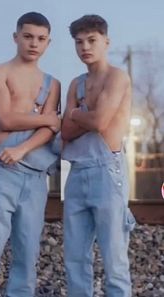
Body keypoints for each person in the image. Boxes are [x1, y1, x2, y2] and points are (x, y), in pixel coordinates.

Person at [0, 12, 60, 297]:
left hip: (34, 174)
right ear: (16, 37)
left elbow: (51, 132)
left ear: (48, 42)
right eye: (28, 36)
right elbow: (5, 119)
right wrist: (47, 119)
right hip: (2, 170)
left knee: (28, 249)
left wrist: (21, 148)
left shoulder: (53, 84)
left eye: (41, 39)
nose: (34, 43)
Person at [62, 14, 136, 297]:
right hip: (77, 171)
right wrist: (84, 116)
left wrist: (78, 113)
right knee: (75, 259)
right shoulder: (75, 84)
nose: (85, 47)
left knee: (114, 258)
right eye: (79, 42)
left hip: (107, 170)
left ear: (106, 41)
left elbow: (100, 122)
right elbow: (65, 131)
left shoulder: (117, 77)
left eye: (91, 40)